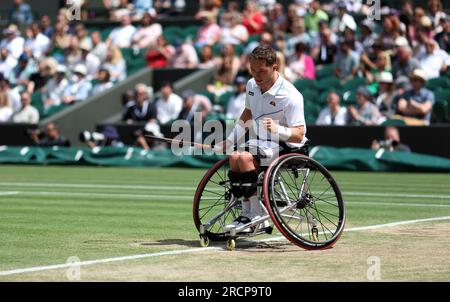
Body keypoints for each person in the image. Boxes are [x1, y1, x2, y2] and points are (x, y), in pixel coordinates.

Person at [217, 45, 308, 231]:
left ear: (275, 67)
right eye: (253, 70)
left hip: (288, 146)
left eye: (261, 70)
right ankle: (247, 212)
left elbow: (299, 135)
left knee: (244, 157)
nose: (256, 75)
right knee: (235, 156)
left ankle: (256, 215)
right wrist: (230, 140)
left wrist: (278, 129)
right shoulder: (251, 85)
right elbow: (247, 114)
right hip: (262, 142)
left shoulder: (291, 96)